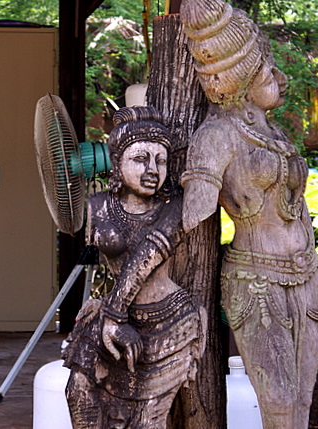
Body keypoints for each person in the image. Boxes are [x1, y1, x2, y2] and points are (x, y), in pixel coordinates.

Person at [179, 2, 318, 428]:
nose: (280, 79)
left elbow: (300, 214)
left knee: (302, 400)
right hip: (255, 280)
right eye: (267, 74)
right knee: (279, 400)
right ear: (244, 86)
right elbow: (192, 213)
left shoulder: (276, 134)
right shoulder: (216, 136)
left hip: (305, 277)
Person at [63, 106, 205, 429]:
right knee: (78, 391)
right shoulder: (97, 206)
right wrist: (109, 316)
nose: (152, 169)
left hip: (167, 321)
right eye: (140, 159)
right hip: (114, 316)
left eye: (161, 161)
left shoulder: (174, 207)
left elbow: (145, 259)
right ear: (117, 162)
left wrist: (113, 317)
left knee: (147, 421)